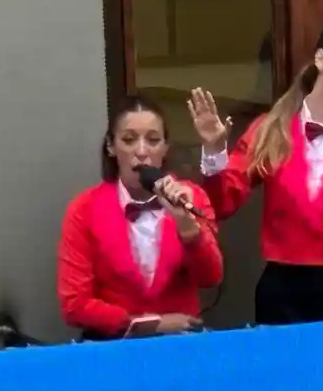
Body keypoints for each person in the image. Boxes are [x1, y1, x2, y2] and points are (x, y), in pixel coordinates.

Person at [188, 19, 323, 325]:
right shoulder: (272, 126)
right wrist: (213, 150)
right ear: (320, 58)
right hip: (282, 288)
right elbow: (221, 203)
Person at [57, 95, 223, 340]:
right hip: (113, 346)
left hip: (181, 343)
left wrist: (189, 229)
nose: (142, 151)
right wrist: (147, 324)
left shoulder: (192, 197)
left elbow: (212, 278)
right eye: (129, 140)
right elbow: (74, 303)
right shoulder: (84, 209)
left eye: (153, 140)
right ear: (111, 147)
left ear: (165, 148)